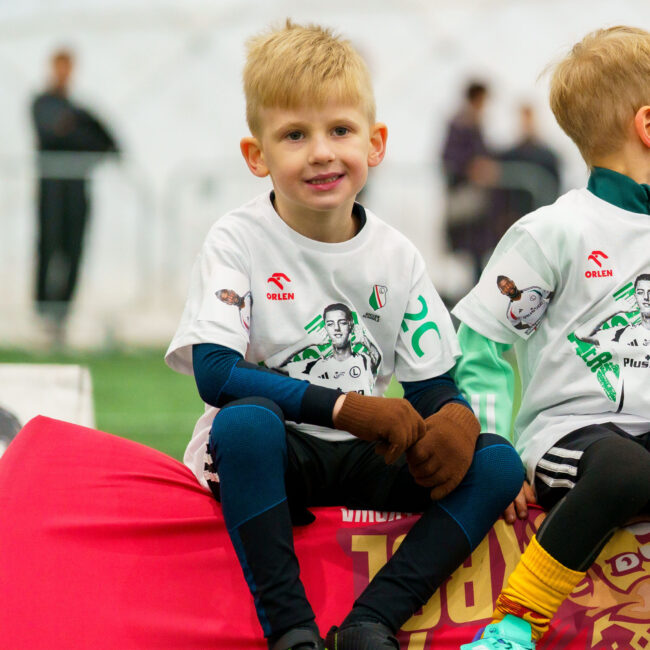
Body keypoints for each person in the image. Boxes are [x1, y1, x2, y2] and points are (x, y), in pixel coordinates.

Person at [165, 21, 523, 650]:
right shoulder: (236, 240)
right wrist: (346, 408)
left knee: (497, 462)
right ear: (257, 155)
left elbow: (433, 386)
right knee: (244, 423)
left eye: (340, 130)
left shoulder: (397, 255)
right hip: (276, 454)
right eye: (294, 135)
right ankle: (291, 631)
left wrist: (456, 419)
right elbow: (215, 373)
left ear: (374, 143)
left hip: (365, 455)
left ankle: (370, 622)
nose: (321, 153)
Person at [454, 26, 650, 649]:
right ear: (648, 125)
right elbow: (481, 343)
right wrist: (492, 449)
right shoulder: (555, 231)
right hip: (574, 437)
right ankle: (513, 625)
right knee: (625, 470)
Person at [32, 48, 119, 334]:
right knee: (49, 246)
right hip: (51, 189)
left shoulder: (79, 110)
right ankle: (44, 311)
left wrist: (74, 130)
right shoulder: (41, 104)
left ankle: (62, 315)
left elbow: (106, 143)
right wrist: (81, 132)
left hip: (76, 189)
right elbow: (51, 134)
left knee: (74, 248)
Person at [441, 81, 501, 285]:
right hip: (467, 196)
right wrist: (472, 169)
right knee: (470, 249)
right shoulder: (461, 124)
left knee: (478, 251)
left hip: (477, 201)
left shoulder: (474, 123)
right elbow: (449, 158)